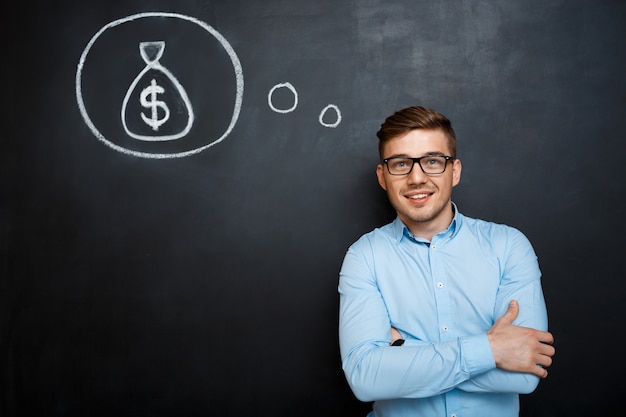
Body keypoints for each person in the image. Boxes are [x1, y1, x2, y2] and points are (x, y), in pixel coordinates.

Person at [338, 105, 555, 417]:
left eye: (432, 161)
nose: (416, 178)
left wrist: (402, 353)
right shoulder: (365, 256)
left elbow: (524, 372)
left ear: (455, 171)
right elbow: (365, 378)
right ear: (383, 176)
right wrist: (491, 350)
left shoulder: (508, 247)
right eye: (400, 163)